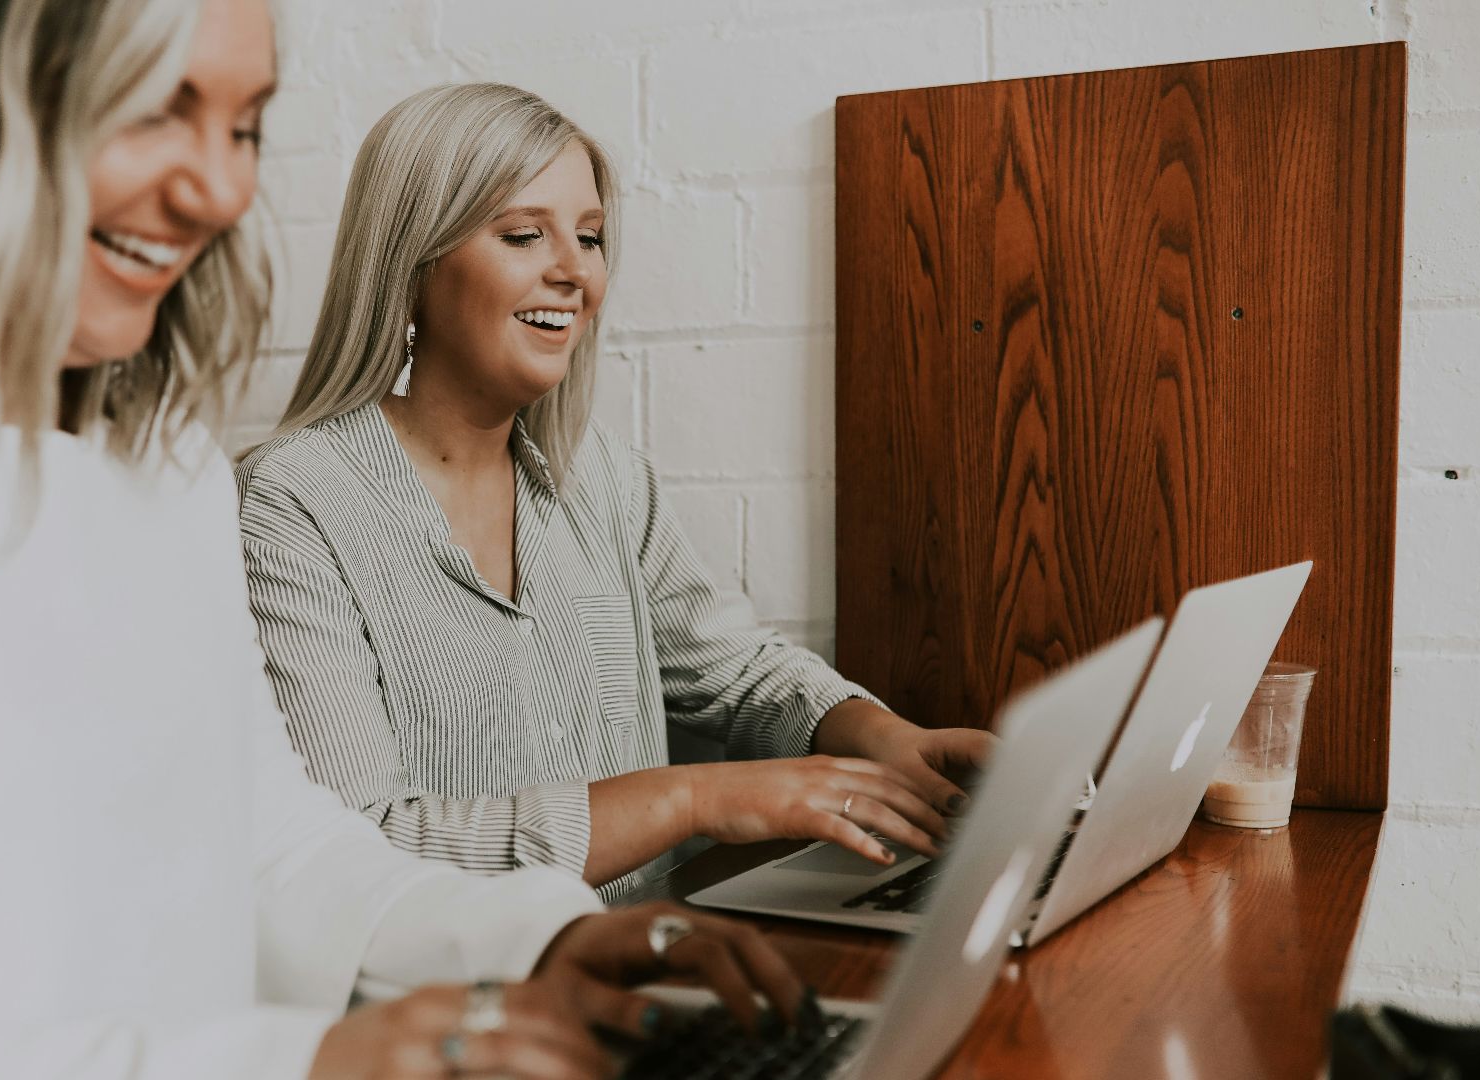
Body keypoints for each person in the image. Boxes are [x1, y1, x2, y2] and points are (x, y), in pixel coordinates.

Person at [0, 7, 806, 1078]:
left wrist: (540, 936)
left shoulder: (159, 455)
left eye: (244, 126)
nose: (220, 190)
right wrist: (298, 1063)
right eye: (155, 110)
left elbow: (271, 843)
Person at [237, 83, 999, 897]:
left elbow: (737, 672)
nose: (575, 271)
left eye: (591, 237)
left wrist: (886, 738)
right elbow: (362, 846)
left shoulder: (603, 478)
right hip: (469, 977)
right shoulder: (290, 503)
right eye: (524, 234)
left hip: (650, 954)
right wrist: (692, 799)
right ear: (412, 262)